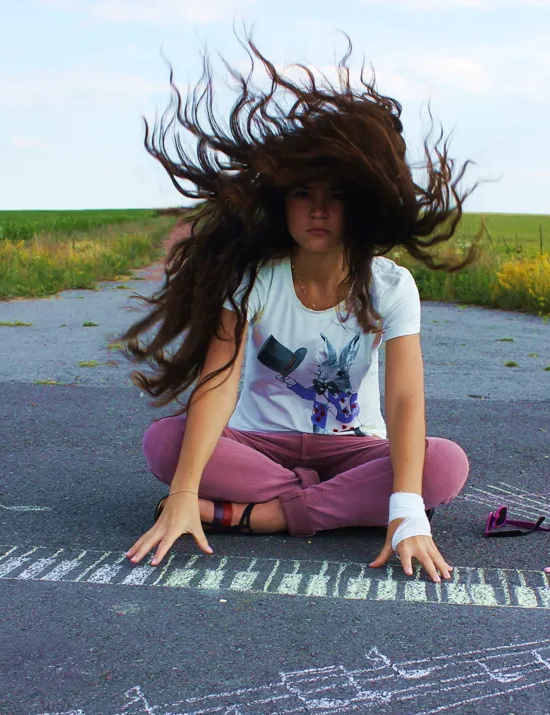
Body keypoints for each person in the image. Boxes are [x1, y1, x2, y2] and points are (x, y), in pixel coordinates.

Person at [121, 38, 477, 583]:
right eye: (302, 194)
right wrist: (185, 492)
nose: (318, 210)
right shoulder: (252, 278)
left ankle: (264, 516)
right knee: (165, 444)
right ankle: (337, 505)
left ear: (360, 203)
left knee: (446, 464)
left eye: (336, 196)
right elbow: (218, 380)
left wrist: (408, 510)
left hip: (355, 449)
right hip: (256, 444)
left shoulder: (391, 285)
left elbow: (405, 399)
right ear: (280, 202)